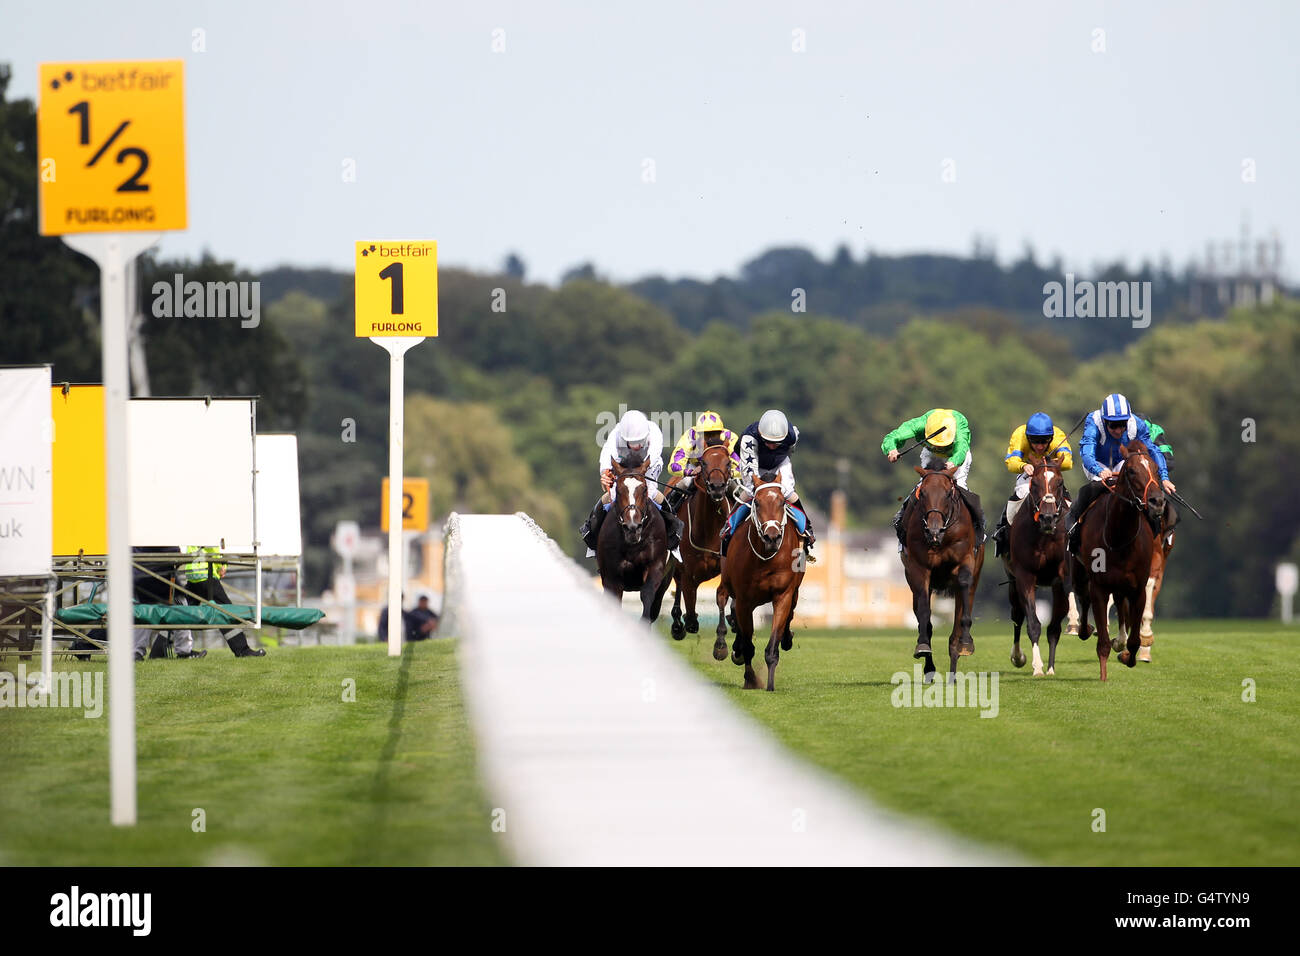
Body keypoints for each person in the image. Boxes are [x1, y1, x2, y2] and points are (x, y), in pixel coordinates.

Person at [1064, 393, 1174, 554]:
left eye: (1122, 424)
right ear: (1104, 421)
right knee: (1096, 488)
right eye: (1113, 425)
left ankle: (1155, 530)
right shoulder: (1094, 422)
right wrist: (1099, 470)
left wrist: (1164, 477)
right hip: (1097, 463)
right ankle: (1073, 524)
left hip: (1121, 461)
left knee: (1138, 486)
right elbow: (1087, 453)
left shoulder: (1137, 424)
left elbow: (1153, 450)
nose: (1118, 430)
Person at [579, 409, 683, 555]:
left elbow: (653, 455)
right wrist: (605, 473)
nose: (636, 446)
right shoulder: (616, 434)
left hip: (647, 466)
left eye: (639, 442)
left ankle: (673, 533)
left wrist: (639, 473)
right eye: (632, 442)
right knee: (613, 495)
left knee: (651, 492)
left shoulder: (654, 431)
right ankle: (591, 533)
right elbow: (606, 456)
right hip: (624, 468)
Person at [881, 408, 984, 549]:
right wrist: (891, 449)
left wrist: (953, 461)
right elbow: (893, 437)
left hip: (955, 456)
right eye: (936, 443)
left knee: (959, 485)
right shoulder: (918, 424)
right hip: (930, 454)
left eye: (941, 444)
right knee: (924, 486)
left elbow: (961, 449)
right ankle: (902, 519)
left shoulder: (960, 426)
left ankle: (978, 527)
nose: (938, 447)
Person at [719, 409, 815, 559]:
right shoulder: (749, 440)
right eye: (768, 442)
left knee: (788, 491)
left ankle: (807, 527)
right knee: (752, 491)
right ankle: (729, 527)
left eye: (776, 443)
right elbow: (750, 476)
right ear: (760, 434)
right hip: (755, 464)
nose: (771, 446)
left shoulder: (792, 435)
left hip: (780, 462)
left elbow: (790, 452)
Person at [992, 413, 1073, 556]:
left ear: (1051, 438)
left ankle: (1074, 535)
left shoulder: (1058, 435)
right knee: (1019, 495)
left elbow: (1067, 462)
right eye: (1035, 442)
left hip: (1050, 476)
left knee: (1068, 502)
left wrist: (1047, 463)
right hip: (1028, 475)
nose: (1040, 446)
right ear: (1028, 438)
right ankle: (1002, 532)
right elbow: (1011, 462)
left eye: (1045, 441)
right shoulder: (1020, 435)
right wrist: (1023, 466)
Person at [183, 545, 266, 657]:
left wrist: (223, 563)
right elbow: (214, 548)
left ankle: (159, 650)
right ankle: (242, 650)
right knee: (227, 612)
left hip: (193, 574)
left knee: (180, 614)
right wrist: (222, 564)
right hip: (206, 573)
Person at [661, 410, 741, 513]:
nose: (711, 438)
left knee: (735, 489)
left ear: (721, 432)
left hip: (721, 471)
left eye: (715, 434)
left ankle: (740, 517)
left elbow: (741, 467)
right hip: (696, 468)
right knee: (685, 483)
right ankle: (669, 513)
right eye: (706, 435)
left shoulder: (730, 438)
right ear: (699, 433)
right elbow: (673, 465)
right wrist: (689, 472)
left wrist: (729, 472)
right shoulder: (690, 436)